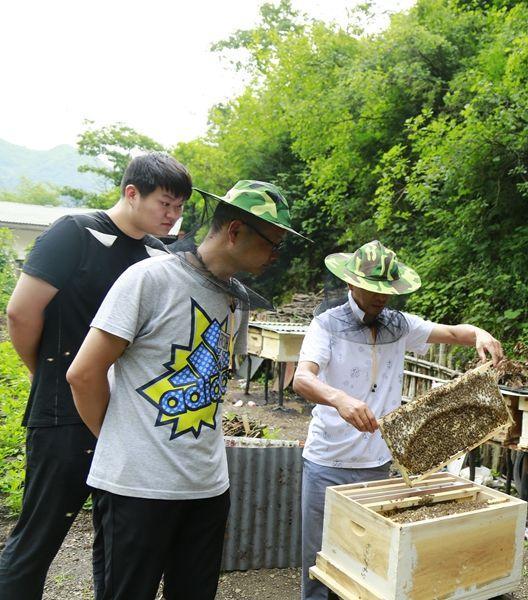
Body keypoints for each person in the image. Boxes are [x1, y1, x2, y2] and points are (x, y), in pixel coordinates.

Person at [66, 180, 305, 600]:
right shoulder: (148, 280)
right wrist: (121, 440)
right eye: (273, 243)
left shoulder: (235, 300)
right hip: (137, 488)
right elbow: (83, 374)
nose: (275, 256)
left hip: (207, 488)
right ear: (234, 231)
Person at [0, 152, 191, 600]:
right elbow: (21, 313)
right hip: (64, 414)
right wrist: (51, 376)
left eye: (179, 207)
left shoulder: (157, 255)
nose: (173, 216)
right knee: (38, 537)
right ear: (131, 193)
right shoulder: (75, 233)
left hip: (128, 421)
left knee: (118, 541)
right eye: (165, 204)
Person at [292, 240, 505, 600]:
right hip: (327, 462)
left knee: (367, 561)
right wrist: (339, 398)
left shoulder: (400, 325)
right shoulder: (325, 325)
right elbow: (302, 378)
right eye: (373, 289)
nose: (381, 297)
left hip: (377, 463)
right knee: (321, 561)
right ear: (350, 283)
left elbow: (453, 333)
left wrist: (478, 334)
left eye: (386, 290)